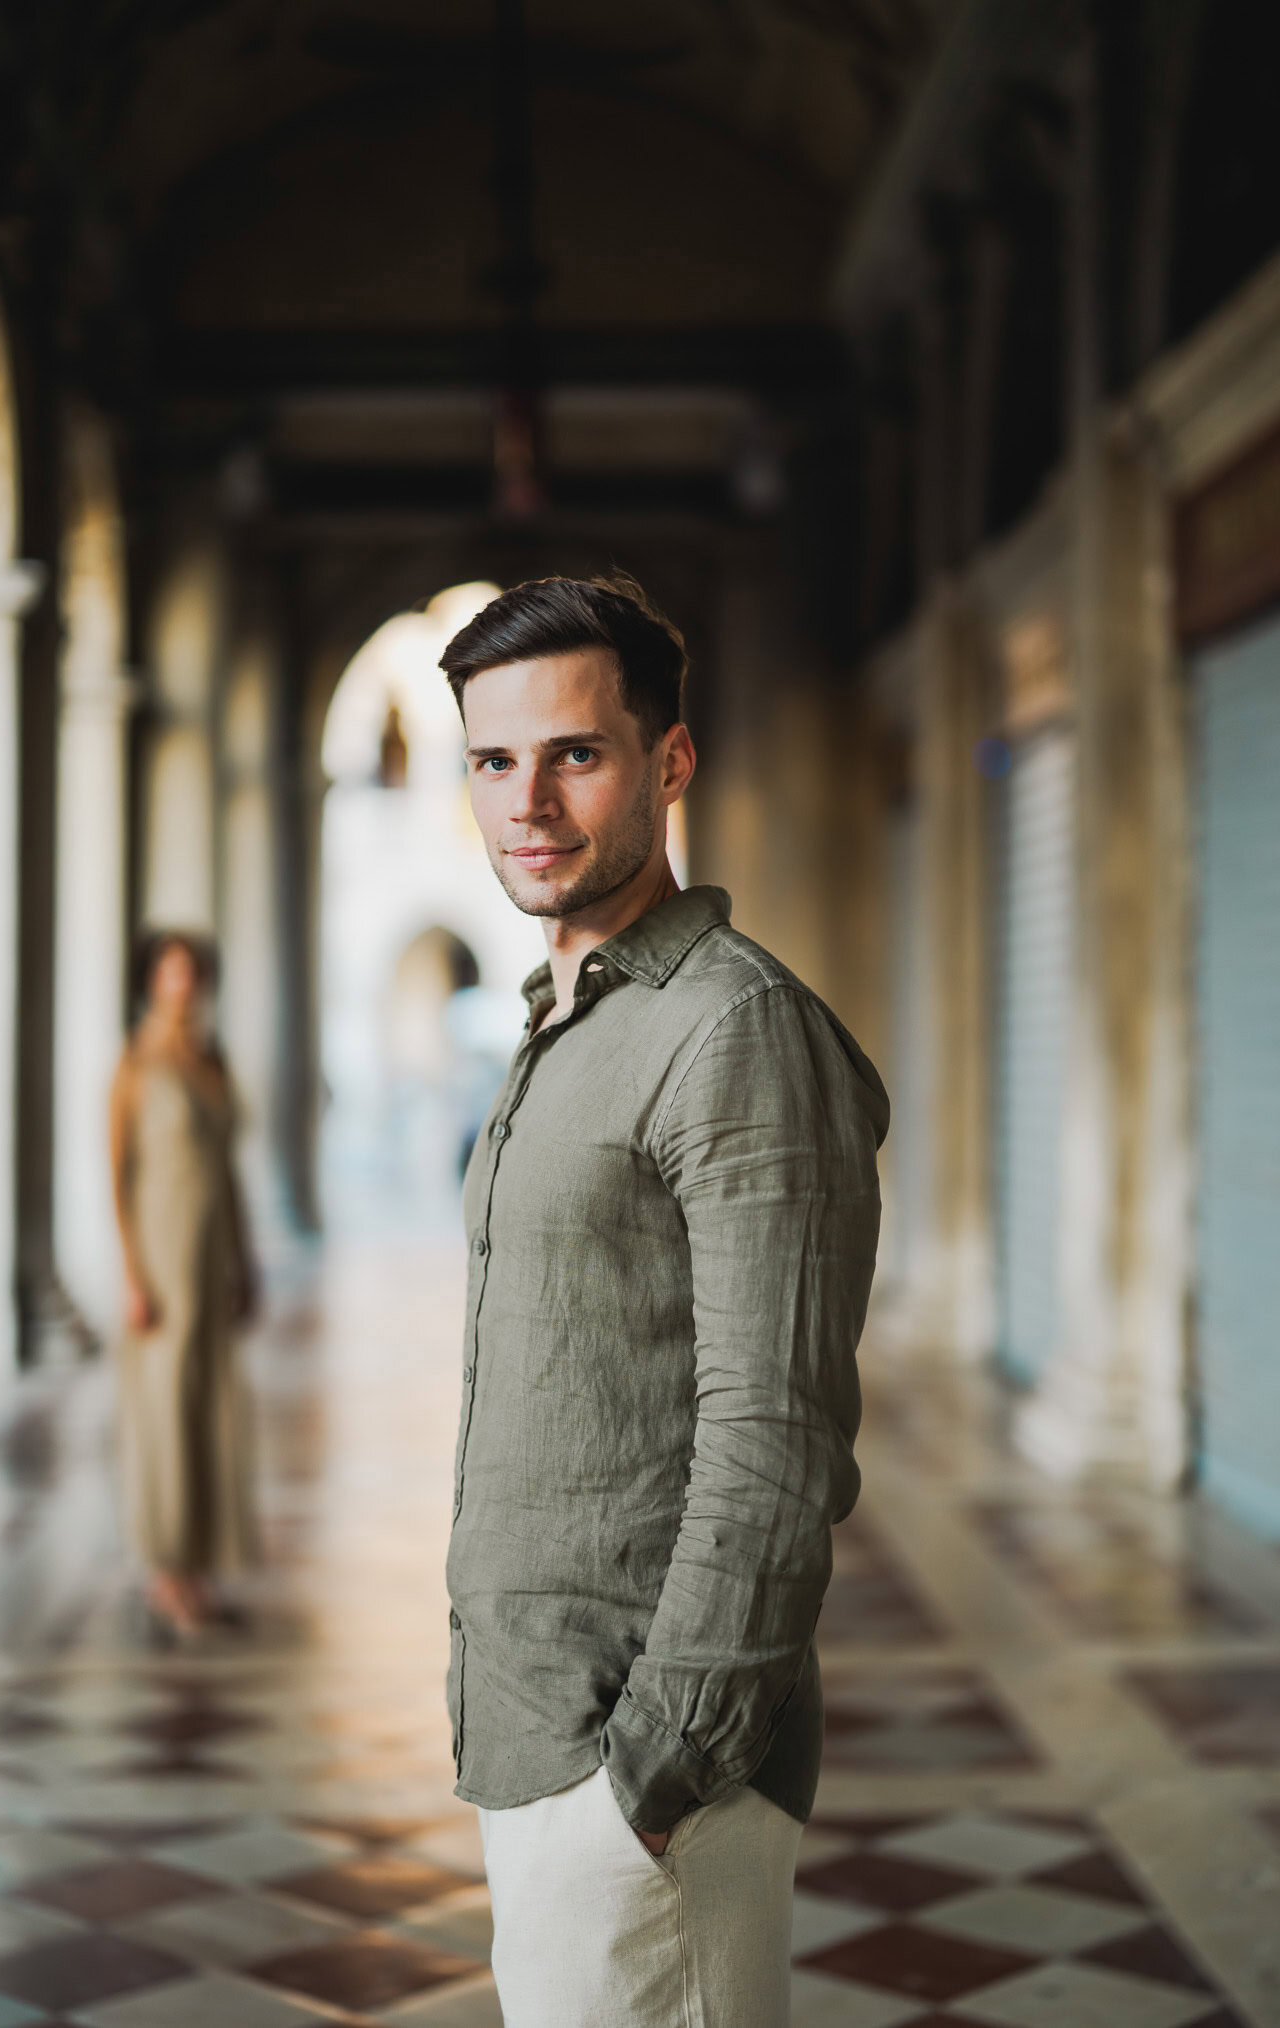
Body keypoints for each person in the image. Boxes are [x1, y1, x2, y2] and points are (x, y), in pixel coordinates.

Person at [438, 575, 889, 2027]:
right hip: (539, 1735)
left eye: (576, 752)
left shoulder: (731, 1029)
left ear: (668, 764)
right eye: (493, 760)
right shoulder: (570, 1018)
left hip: (642, 1785)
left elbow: (778, 1435)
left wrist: (654, 1779)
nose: (530, 801)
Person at [108, 930, 259, 1640]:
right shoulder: (135, 1066)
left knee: (208, 1408)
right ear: (150, 983)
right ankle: (164, 1573)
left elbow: (229, 1174)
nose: (181, 988)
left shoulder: (211, 1059)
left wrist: (245, 1259)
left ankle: (197, 1566)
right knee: (163, 1411)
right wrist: (133, 1274)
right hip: (162, 1264)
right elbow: (117, 1177)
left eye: (192, 975)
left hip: (209, 1257)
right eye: (169, 976)